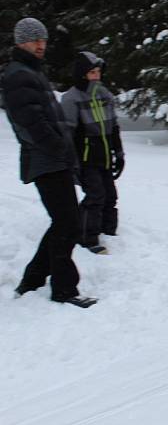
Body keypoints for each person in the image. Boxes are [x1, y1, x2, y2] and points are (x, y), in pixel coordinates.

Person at [1, 17, 97, 308]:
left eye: (43, 40)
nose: (40, 45)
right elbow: (29, 122)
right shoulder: (18, 75)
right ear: (21, 42)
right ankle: (64, 289)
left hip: (54, 158)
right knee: (68, 223)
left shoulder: (32, 72)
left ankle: (32, 280)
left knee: (63, 222)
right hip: (45, 159)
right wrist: (57, 147)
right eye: (34, 40)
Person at [61, 51, 124, 254]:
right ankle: (87, 238)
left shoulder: (105, 95)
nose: (96, 76)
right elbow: (67, 133)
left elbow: (113, 127)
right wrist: (72, 163)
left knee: (110, 196)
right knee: (95, 196)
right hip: (85, 159)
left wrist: (120, 154)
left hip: (104, 156)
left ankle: (109, 232)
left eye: (98, 72)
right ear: (82, 74)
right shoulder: (71, 98)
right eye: (91, 72)